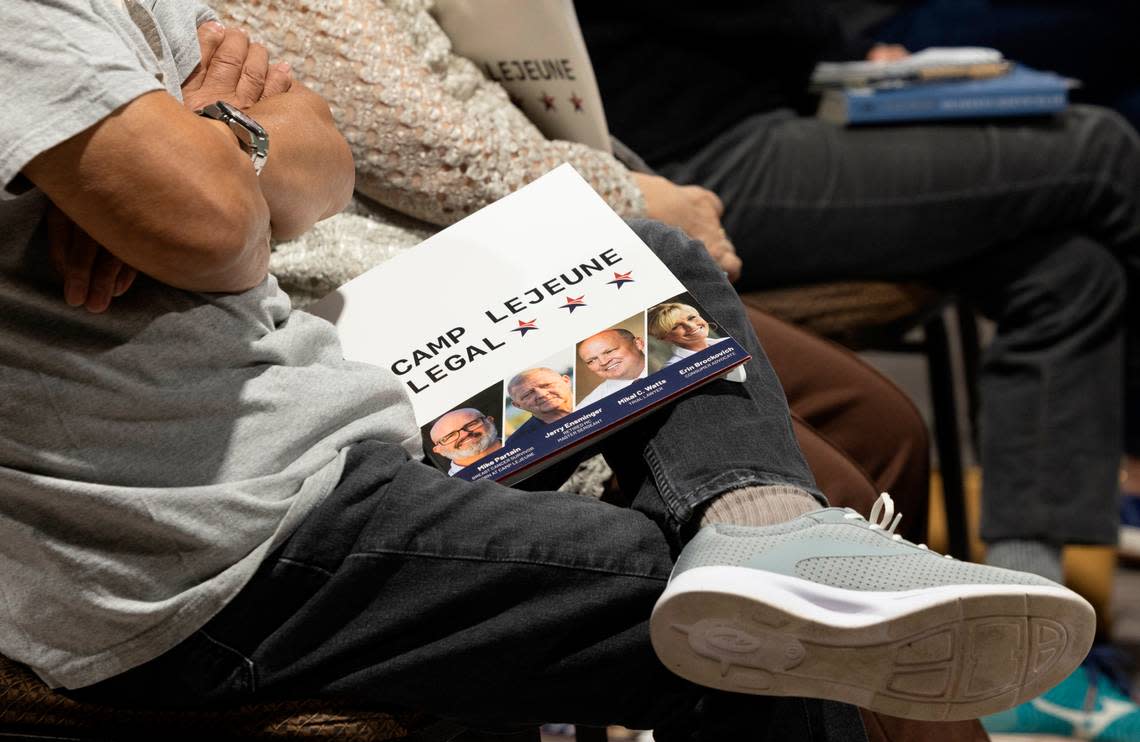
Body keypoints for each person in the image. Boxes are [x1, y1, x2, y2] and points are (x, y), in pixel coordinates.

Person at [1, 5, 1096, 740]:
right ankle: (787, 542)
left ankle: (763, 520)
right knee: (781, 623)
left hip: (318, 400)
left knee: (664, 282)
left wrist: (206, 151)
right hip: (231, 513)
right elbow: (291, 195)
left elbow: (314, 159)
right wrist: (228, 168)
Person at [575, 2, 1140, 734]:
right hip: (683, 156)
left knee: (1073, 269)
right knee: (1105, 149)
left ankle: (1030, 643)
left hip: (789, 105)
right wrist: (854, 46)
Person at [211, 0, 940, 556]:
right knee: (826, 495)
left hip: (522, 246)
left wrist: (628, 191)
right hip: (420, 301)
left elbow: (423, 121)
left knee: (880, 424)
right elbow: (429, 154)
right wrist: (633, 192)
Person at [575, 328, 648, 409]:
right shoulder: (587, 408)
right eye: (591, 361)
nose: (603, 362)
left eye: (609, 351)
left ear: (638, 344)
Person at [647, 301, 727, 368]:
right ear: (664, 338)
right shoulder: (673, 367)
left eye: (691, 318)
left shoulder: (728, 342)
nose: (691, 327)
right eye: (675, 327)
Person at [506, 367, 575, 440]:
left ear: (566, 381)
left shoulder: (588, 403)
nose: (542, 394)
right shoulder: (517, 442)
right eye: (528, 394)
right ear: (517, 405)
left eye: (546, 385)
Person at [429, 408, 503, 475]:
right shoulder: (452, 488)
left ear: (490, 420)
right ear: (438, 450)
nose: (464, 434)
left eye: (471, 425)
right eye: (450, 436)